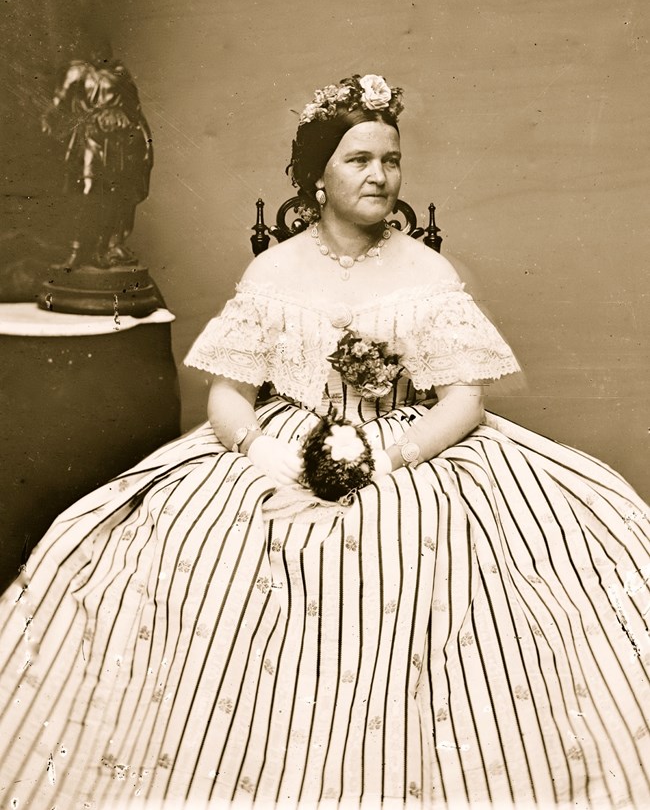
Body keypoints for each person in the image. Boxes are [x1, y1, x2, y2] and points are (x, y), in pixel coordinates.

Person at [1, 73, 649, 810]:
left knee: (411, 549)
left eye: (391, 159)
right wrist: (256, 450)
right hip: (282, 440)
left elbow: (464, 396)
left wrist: (386, 456)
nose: (380, 175)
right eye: (358, 159)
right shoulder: (274, 270)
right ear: (317, 175)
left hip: (413, 447)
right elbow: (230, 392)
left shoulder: (425, 271)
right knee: (174, 556)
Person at [41, 42, 153, 269]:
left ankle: (109, 247)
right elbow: (58, 102)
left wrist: (145, 141)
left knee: (118, 192)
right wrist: (49, 120)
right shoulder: (77, 71)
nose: (100, 51)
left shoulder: (120, 73)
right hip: (92, 136)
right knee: (87, 191)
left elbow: (135, 109)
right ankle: (78, 250)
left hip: (120, 140)